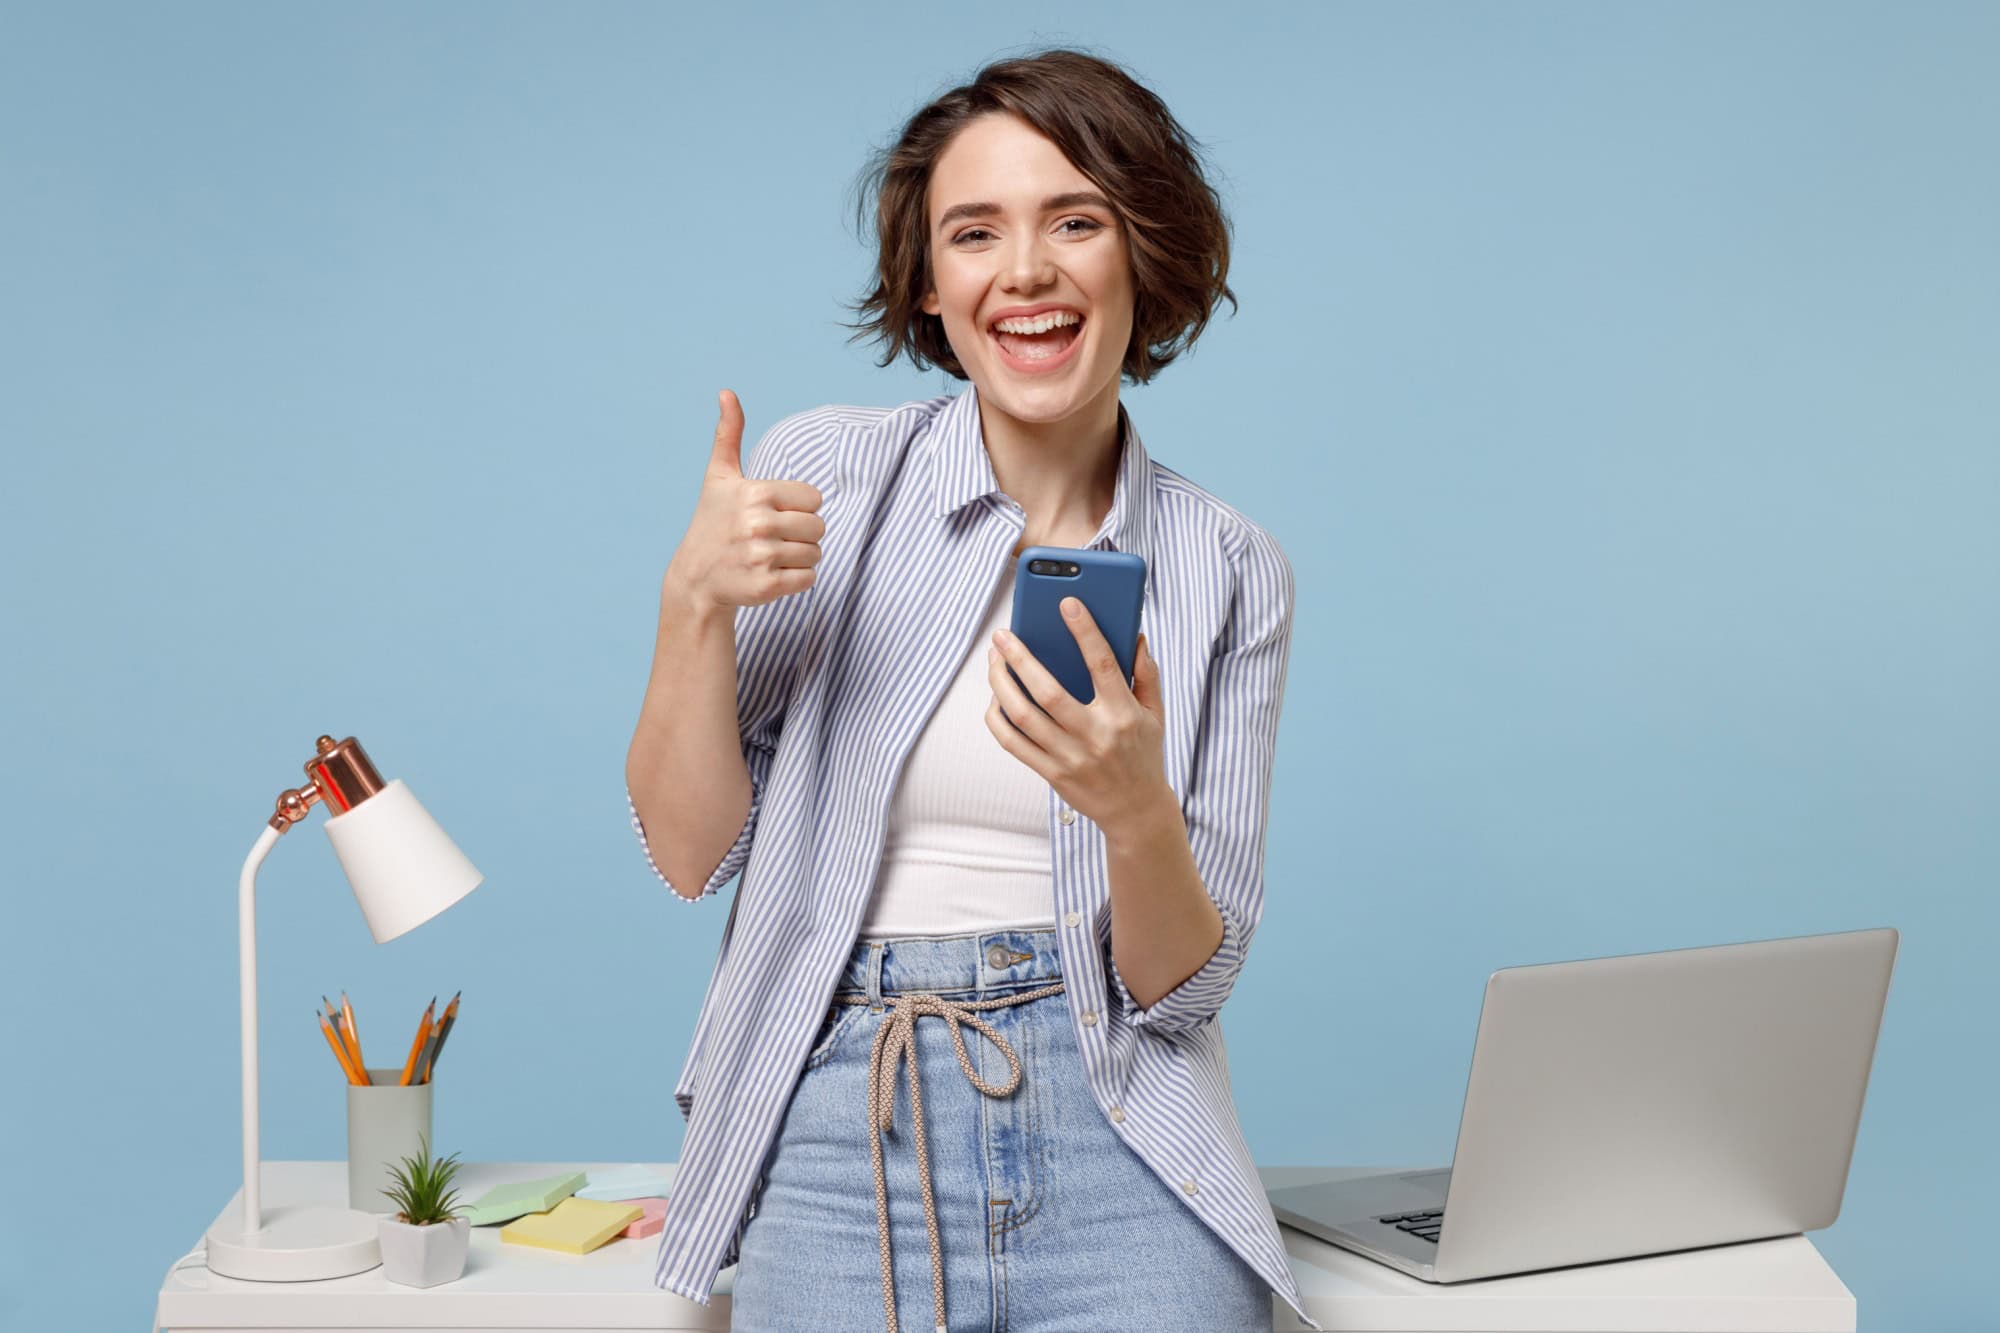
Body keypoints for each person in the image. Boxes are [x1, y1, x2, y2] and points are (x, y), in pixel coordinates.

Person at [624, 46, 1314, 1333]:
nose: (1026, 271)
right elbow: (687, 852)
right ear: (930, 287)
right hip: (842, 1114)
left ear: (1143, 253)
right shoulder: (827, 475)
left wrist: (1133, 811)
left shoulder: (1227, 566)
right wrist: (691, 608)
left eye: (1075, 221)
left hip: (1124, 1131)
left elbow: (1182, 990)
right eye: (975, 232)